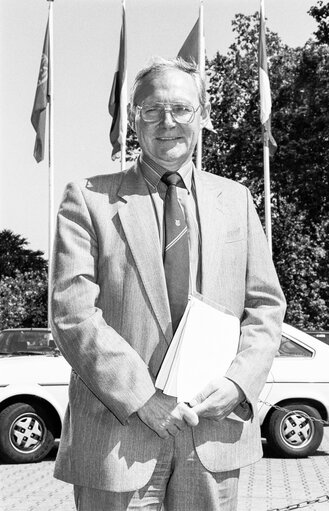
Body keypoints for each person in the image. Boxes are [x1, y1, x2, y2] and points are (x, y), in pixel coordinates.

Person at [50, 57, 286, 511]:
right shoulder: (87, 198)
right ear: (133, 118)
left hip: (213, 436)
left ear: (201, 117)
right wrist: (144, 398)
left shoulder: (235, 200)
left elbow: (265, 307)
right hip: (119, 438)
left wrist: (238, 384)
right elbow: (72, 312)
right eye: (153, 109)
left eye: (182, 109)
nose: (168, 122)